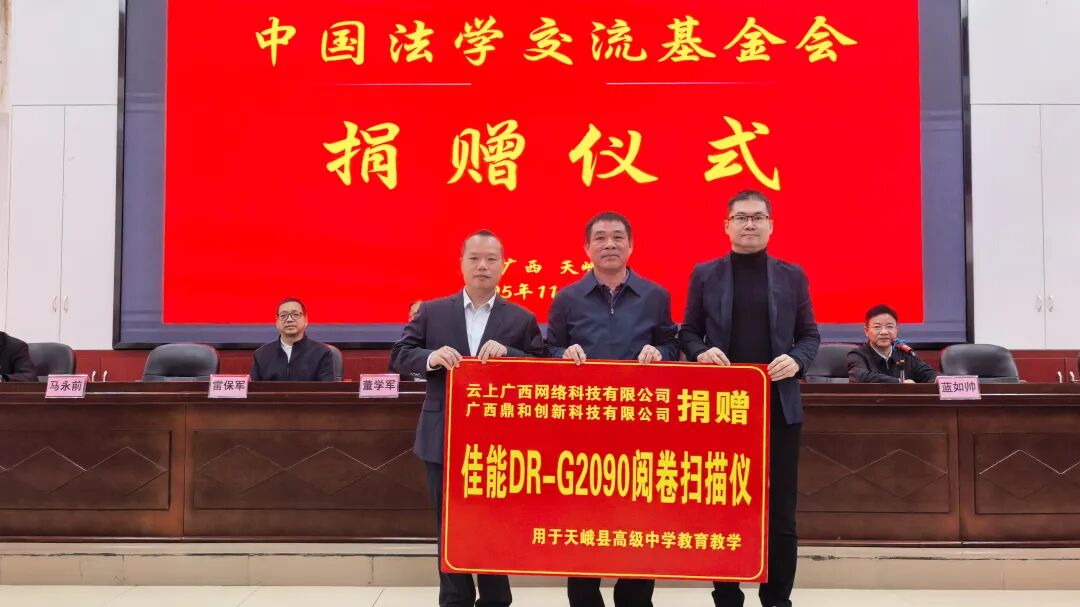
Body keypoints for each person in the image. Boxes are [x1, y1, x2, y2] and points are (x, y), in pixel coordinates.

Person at [391, 230, 545, 607]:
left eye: (491, 259)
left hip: (498, 440)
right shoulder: (432, 312)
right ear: (460, 264)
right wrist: (430, 358)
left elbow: (541, 368)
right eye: (474, 258)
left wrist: (510, 354)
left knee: (494, 521)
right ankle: (455, 598)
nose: (482, 266)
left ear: (503, 266)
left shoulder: (522, 318)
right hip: (441, 436)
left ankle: (496, 598)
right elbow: (400, 354)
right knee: (448, 523)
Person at [681, 190, 820, 607]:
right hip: (723, 410)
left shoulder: (792, 275)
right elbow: (688, 332)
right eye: (741, 217)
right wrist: (700, 352)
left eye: (758, 217)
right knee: (725, 505)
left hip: (778, 406)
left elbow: (809, 335)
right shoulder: (705, 274)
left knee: (780, 511)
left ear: (771, 225)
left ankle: (776, 599)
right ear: (726, 226)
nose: (749, 224)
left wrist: (796, 360)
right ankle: (726, 596)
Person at [546, 211, 678, 607]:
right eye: (600, 238)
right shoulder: (567, 298)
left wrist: (661, 352)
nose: (609, 244)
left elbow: (672, 346)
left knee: (638, 516)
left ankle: (634, 598)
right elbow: (548, 349)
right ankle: (585, 598)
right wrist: (562, 353)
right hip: (583, 428)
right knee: (582, 517)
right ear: (586, 248)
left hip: (641, 427)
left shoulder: (655, 296)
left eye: (618, 237)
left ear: (631, 245)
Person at [848, 304, 938, 383]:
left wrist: (940, 380)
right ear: (866, 331)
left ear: (896, 330)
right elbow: (860, 377)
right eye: (877, 327)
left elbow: (930, 374)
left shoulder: (906, 353)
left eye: (889, 326)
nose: (884, 332)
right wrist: (899, 382)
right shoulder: (858, 354)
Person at [250, 298, 335, 381]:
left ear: (306, 320)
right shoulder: (261, 355)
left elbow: (327, 389)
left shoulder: (322, 353)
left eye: (295, 314)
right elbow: (254, 389)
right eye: (283, 315)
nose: (289, 319)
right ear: (277, 322)